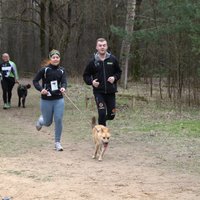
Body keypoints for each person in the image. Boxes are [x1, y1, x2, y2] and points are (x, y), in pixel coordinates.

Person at [33, 49, 67, 151]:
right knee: (48, 122)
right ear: (50, 59)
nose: (55, 59)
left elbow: (64, 82)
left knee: (58, 119)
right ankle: (41, 121)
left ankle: (57, 142)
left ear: (59, 59)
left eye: (57, 57)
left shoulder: (62, 70)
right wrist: (41, 89)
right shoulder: (45, 70)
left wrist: (63, 88)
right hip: (46, 100)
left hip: (58, 99)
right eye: (53, 57)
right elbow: (35, 81)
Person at [83, 38, 122, 126]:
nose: (102, 47)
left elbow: (119, 72)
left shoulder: (113, 59)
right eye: (100, 45)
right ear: (96, 47)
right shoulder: (92, 62)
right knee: (101, 112)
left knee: (112, 114)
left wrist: (114, 77)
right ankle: (102, 133)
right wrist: (92, 82)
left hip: (111, 92)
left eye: (104, 45)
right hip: (98, 92)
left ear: (107, 47)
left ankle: (100, 123)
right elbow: (85, 76)